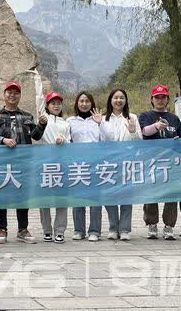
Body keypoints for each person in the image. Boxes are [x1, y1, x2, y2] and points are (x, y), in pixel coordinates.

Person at [0, 81, 45, 244]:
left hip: (23, 163)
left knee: (22, 195)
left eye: (16, 92)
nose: (12, 95)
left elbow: (36, 136)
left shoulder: (27, 116)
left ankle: (22, 229)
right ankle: (2, 228)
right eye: (9, 92)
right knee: (1, 195)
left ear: (20, 95)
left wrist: (42, 124)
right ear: (4, 95)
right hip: (1, 162)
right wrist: (2, 140)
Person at [139, 84, 181, 240]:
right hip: (151, 161)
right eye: (157, 97)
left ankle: (169, 225)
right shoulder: (145, 116)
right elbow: (144, 132)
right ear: (152, 99)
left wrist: (177, 142)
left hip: (170, 162)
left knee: (171, 195)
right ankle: (152, 224)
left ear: (167, 99)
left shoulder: (174, 119)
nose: (160, 100)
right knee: (152, 193)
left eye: (163, 97)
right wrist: (156, 126)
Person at [101, 88, 140, 240]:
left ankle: (124, 229)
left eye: (121, 98)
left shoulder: (132, 117)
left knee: (126, 196)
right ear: (110, 100)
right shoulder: (103, 118)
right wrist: (100, 124)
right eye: (115, 97)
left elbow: (139, 142)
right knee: (109, 195)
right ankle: (113, 227)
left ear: (125, 100)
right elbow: (99, 141)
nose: (118, 100)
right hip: (108, 162)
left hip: (127, 162)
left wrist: (132, 131)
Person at [67, 91, 106, 241]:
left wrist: (100, 123)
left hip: (95, 164)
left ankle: (95, 231)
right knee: (78, 198)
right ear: (77, 103)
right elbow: (67, 140)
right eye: (81, 101)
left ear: (92, 103)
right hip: (77, 164)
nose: (84, 104)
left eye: (87, 101)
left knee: (95, 199)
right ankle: (79, 230)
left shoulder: (98, 120)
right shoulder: (70, 121)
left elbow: (108, 139)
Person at [38, 91, 70, 243]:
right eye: (53, 103)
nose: (56, 106)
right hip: (46, 163)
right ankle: (46, 230)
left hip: (62, 164)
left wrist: (64, 140)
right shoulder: (44, 120)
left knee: (61, 199)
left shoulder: (65, 123)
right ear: (47, 105)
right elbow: (38, 97)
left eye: (58, 103)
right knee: (44, 199)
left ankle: (60, 230)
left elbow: (71, 142)